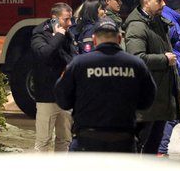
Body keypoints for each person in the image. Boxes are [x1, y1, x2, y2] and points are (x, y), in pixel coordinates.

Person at [54, 19, 157, 152]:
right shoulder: (136, 64)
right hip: (123, 142)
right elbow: (147, 102)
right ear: (119, 39)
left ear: (94, 40)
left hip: (86, 141)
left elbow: (63, 100)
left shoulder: (79, 64)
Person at [123, 0, 180, 154]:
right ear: (147, 3)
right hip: (147, 98)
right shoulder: (137, 26)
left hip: (158, 96)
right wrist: (164, 59)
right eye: (159, 0)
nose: (164, 4)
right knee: (141, 143)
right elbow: (136, 58)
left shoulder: (157, 21)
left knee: (153, 143)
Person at [30, 2, 77, 152]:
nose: (69, 23)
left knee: (64, 139)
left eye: (71, 19)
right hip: (47, 96)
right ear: (54, 19)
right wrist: (58, 36)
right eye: (66, 19)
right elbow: (44, 54)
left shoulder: (67, 33)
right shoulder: (39, 34)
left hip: (64, 96)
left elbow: (72, 57)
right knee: (44, 141)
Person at [157, 0, 180, 157]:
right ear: (179, 7)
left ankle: (160, 150)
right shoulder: (170, 23)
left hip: (172, 73)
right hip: (170, 74)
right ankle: (161, 151)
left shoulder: (172, 21)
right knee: (171, 115)